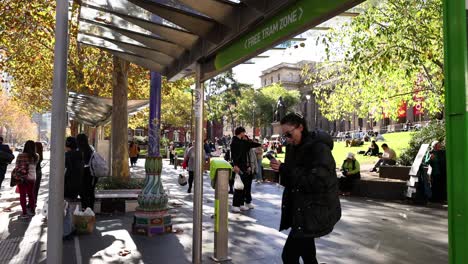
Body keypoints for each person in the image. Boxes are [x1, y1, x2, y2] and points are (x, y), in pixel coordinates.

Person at [270, 113, 341, 264]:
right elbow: (291, 181)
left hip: (313, 209)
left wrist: (286, 169)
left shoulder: (319, 149)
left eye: (289, 134)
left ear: (301, 127)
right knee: (308, 255)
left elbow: (317, 182)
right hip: (299, 209)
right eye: (284, 136)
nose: (287, 139)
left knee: (289, 256)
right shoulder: (292, 148)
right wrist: (280, 169)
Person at [230, 127, 261, 213]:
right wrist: (235, 165)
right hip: (238, 166)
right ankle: (235, 205)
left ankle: (240, 204)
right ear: (241, 132)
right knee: (238, 186)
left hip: (242, 166)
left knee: (242, 186)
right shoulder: (235, 142)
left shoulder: (241, 142)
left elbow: (250, 144)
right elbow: (234, 155)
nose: (245, 134)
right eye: (244, 132)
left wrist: (258, 144)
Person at [16, 140, 38, 218]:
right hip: (32, 177)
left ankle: (24, 213)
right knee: (31, 194)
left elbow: (17, 166)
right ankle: (32, 210)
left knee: (22, 195)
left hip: (22, 177)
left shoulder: (20, 155)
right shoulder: (36, 156)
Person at [77, 134, 95, 210]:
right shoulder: (91, 149)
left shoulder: (79, 150)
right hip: (92, 173)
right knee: (91, 192)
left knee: (83, 193)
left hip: (83, 173)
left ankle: (85, 210)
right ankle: (91, 210)